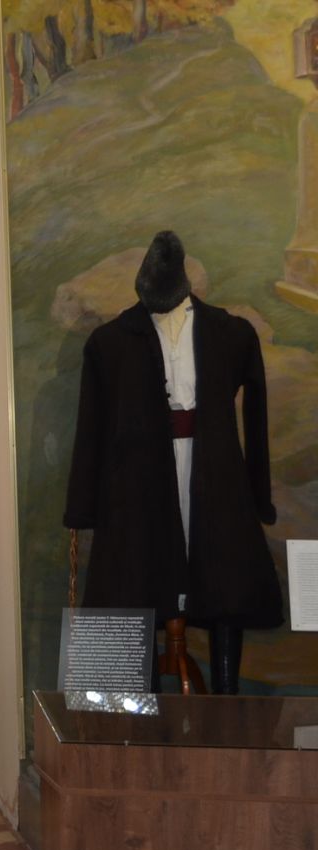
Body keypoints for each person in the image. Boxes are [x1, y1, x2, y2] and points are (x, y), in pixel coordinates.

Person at [64, 231, 282, 692]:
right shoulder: (108, 343)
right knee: (137, 584)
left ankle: (226, 703)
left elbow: (256, 417)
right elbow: (91, 430)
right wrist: (83, 509)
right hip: (137, 484)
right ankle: (138, 713)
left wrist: (258, 496)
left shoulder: (231, 333)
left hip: (216, 475)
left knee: (224, 584)